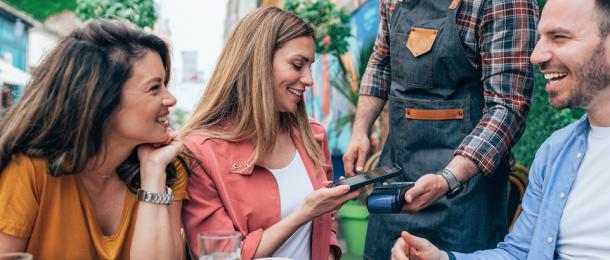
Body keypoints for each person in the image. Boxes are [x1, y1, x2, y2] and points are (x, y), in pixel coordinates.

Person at [391, 0, 610, 259]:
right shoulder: (556, 152)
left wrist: (448, 178)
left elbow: (507, 106)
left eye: (559, 37)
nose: (535, 55)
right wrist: (444, 258)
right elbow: (520, 252)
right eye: (540, 38)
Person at [341, 0, 539, 257]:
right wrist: (360, 130)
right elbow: (381, 61)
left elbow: (508, 106)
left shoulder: (503, 2)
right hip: (398, 182)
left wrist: (448, 178)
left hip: (465, 194)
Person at [180, 6, 359, 260]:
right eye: (297, 65)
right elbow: (218, 254)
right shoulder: (200, 151)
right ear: (259, 63)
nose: (308, 79)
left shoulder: (313, 135)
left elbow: (326, 222)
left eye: (310, 66)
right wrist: (304, 212)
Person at [0, 20, 187, 259]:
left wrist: (153, 173)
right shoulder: (29, 170)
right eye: (154, 88)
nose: (171, 99)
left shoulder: (168, 168)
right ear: (102, 97)